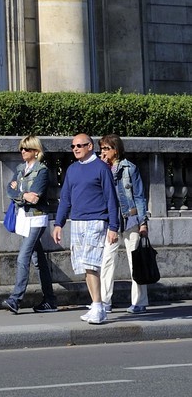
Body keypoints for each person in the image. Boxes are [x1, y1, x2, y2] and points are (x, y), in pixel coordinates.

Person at [52, 133, 120, 324]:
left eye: (79, 145)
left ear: (90, 146)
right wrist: (58, 223)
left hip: (97, 221)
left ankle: (98, 306)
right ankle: (97, 306)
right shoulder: (72, 169)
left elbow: (111, 199)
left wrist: (113, 226)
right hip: (77, 221)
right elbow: (65, 198)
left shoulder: (101, 168)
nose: (75, 149)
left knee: (91, 265)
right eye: (73, 146)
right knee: (84, 266)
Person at [2, 136, 57, 314]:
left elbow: (36, 196)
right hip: (24, 218)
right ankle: (50, 300)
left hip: (37, 218)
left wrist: (19, 192)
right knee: (39, 261)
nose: (23, 151)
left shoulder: (42, 171)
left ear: (36, 151)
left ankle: (15, 299)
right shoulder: (20, 169)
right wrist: (24, 195)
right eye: (21, 149)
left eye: (26, 149)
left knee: (23, 257)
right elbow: (9, 190)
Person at [99, 134, 150, 315]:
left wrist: (143, 223)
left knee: (135, 261)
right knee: (107, 260)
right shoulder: (100, 168)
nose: (103, 152)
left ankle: (139, 301)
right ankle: (104, 301)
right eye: (101, 148)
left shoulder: (130, 168)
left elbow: (139, 196)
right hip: (111, 221)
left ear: (116, 150)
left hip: (130, 219)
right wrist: (102, 167)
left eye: (107, 148)